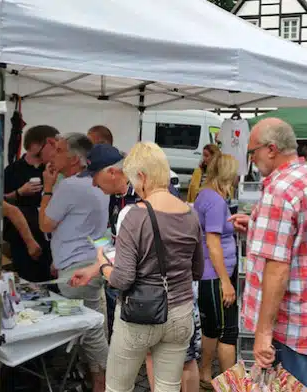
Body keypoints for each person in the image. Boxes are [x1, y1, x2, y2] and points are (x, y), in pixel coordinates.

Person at [70, 142, 204, 392]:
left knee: (118, 387)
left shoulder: (134, 215)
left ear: (141, 176)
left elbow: (122, 279)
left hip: (140, 313)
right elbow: (197, 270)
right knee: (168, 387)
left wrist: (101, 267)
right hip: (181, 312)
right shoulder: (190, 213)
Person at [230, 118, 307, 391]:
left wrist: (263, 334)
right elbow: (302, 238)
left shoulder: (279, 191)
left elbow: (277, 268)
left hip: (288, 324)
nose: (252, 160)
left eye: (252, 152)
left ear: (271, 149)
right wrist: (255, 225)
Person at [38, 133, 109, 392]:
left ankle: (103, 382)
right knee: (94, 326)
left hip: (78, 270)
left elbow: (45, 223)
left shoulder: (69, 186)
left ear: (74, 159)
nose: (53, 155)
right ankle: (98, 380)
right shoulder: (95, 182)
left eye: (58, 150)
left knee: (89, 333)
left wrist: (47, 187)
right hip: (91, 263)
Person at [193, 154, 239, 388]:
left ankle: (205, 372)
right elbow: (212, 243)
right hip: (216, 275)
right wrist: (226, 282)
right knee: (227, 331)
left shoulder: (206, 195)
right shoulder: (216, 201)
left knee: (211, 328)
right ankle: (230, 383)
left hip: (210, 274)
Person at [3, 125, 59, 282]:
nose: (54, 150)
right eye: (52, 145)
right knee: (27, 283)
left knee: (51, 284)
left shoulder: (52, 170)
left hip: (49, 238)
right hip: (22, 240)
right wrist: (19, 192)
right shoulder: (12, 170)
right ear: (37, 145)